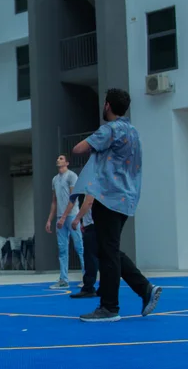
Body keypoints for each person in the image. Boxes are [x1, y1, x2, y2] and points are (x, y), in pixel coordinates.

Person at [71, 88, 162, 322]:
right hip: (126, 197)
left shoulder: (110, 129)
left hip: (108, 197)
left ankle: (109, 307)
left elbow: (78, 149)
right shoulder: (134, 132)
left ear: (108, 105)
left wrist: (95, 145)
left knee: (108, 252)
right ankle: (144, 288)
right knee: (108, 249)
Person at [45, 154, 84, 289]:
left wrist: (64, 217)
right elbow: (54, 201)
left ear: (67, 163)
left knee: (79, 247)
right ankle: (63, 279)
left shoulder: (72, 176)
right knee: (62, 249)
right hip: (60, 218)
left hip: (72, 216)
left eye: (61, 158)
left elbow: (73, 198)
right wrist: (50, 220)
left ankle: (86, 277)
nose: (58, 160)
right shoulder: (55, 179)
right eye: (57, 158)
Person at [63, 186, 98, 299]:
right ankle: (103, 287)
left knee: (90, 257)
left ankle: (88, 287)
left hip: (93, 225)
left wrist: (77, 219)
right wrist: (84, 222)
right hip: (93, 223)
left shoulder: (91, 183)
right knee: (102, 256)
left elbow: (89, 202)